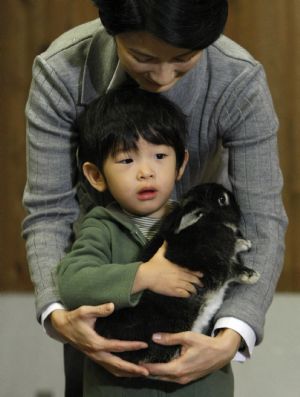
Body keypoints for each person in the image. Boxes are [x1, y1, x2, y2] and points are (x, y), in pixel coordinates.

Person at [22, 0, 287, 396]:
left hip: (195, 294)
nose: (163, 77)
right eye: (142, 57)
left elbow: (262, 218)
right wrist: (59, 314)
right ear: (113, 30)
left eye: (184, 59)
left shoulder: (238, 80)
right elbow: (47, 211)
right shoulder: (63, 71)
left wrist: (231, 334)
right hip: (104, 308)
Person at [56, 85, 219, 396]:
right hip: (118, 384)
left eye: (159, 156)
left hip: (197, 382)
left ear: (181, 164)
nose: (146, 172)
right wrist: (143, 276)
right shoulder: (102, 227)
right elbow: (72, 282)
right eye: (126, 160)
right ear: (95, 175)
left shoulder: (202, 222)